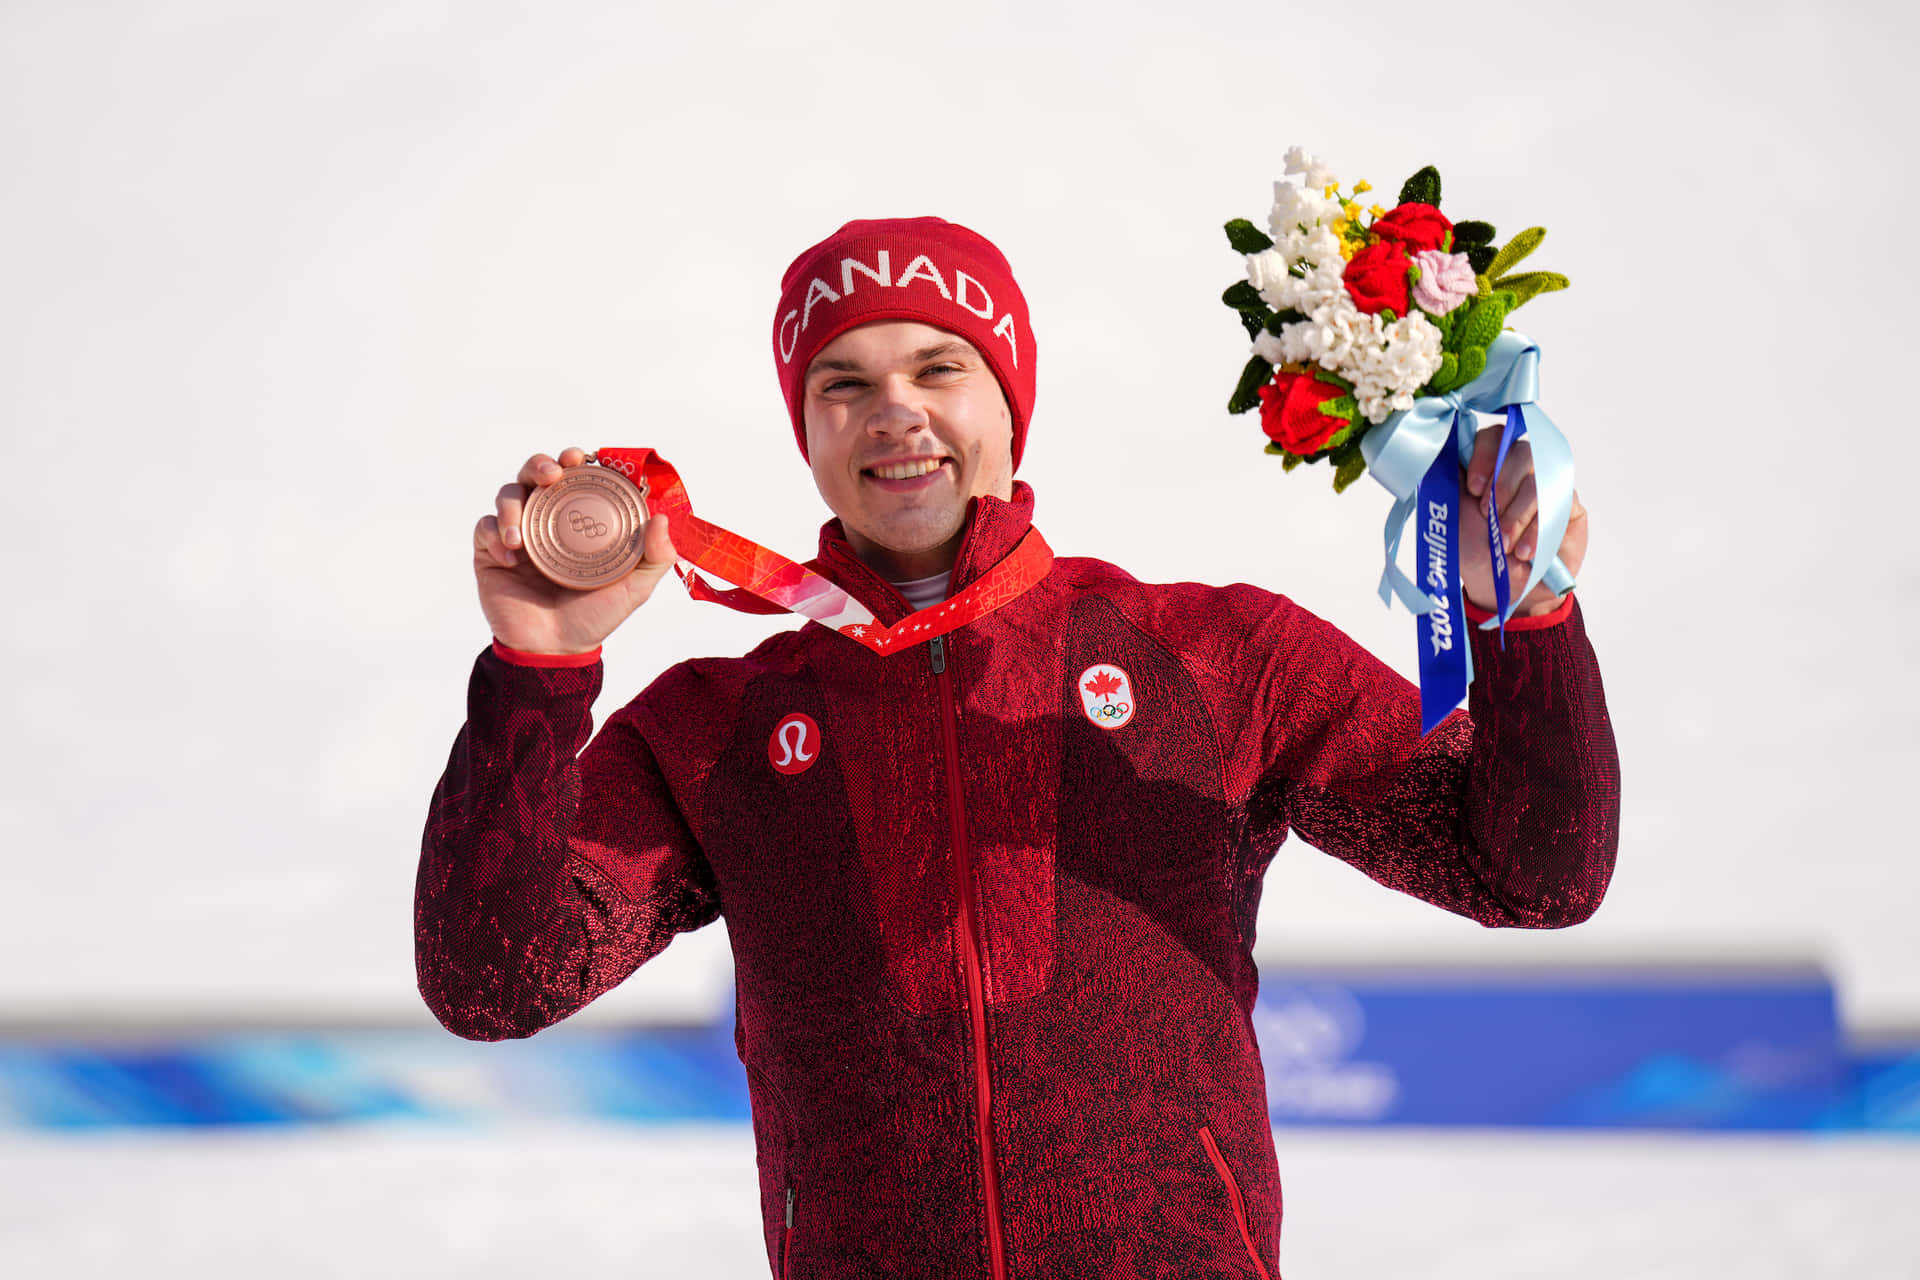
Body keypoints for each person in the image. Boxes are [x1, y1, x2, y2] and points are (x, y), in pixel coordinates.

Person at [416, 217, 1619, 1279]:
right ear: (807, 428)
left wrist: (1525, 617)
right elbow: (493, 979)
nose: (895, 409)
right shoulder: (713, 727)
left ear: (1008, 400)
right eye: (843, 383)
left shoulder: (1213, 653)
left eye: (940, 366)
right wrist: (535, 674)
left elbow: (1531, 872)